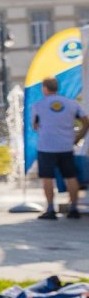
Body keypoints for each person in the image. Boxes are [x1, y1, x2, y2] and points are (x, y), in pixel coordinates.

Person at [33, 76, 88, 220]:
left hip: (46, 147)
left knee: (47, 178)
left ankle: (51, 209)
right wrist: (78, 137)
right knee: (71, 176)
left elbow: (35, 125)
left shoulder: (39, 105)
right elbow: (86, 121)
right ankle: (74, 209)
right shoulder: (71, 103)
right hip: (66, 146)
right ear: (57, 88)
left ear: (44, 88)